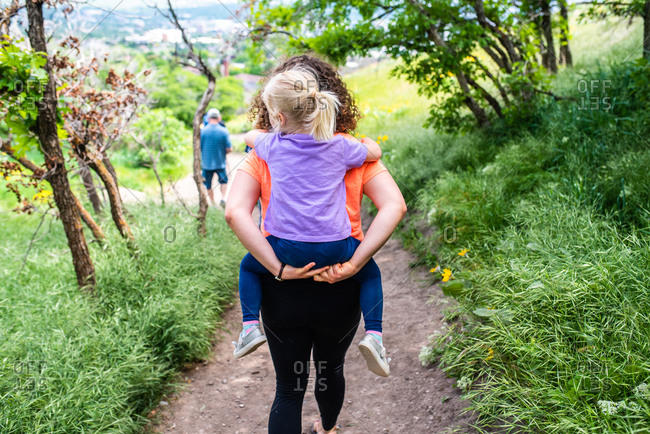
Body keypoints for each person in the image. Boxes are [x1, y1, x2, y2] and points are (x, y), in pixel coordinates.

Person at [225, 54, 406, 434]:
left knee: (288, 389)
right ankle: (328, 428)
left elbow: (235, 213)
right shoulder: (348, 151)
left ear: (275, 110)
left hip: (282, 286)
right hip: (340, 281)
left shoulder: (266, 152)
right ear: (330, 97)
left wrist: (276, 267)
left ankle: (248, 326)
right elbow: (394, 206)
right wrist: (355, 264)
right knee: (330, 371)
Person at [200, 108, 231, 207]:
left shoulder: (202, 131)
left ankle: (212, 203)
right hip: (220, 162)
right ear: (219, 118)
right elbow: (229, 148)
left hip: (206, 163)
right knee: (224, 181)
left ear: (208, 118)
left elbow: (199, 147)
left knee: (208, 184)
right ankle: (222, 198)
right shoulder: (224, 131)